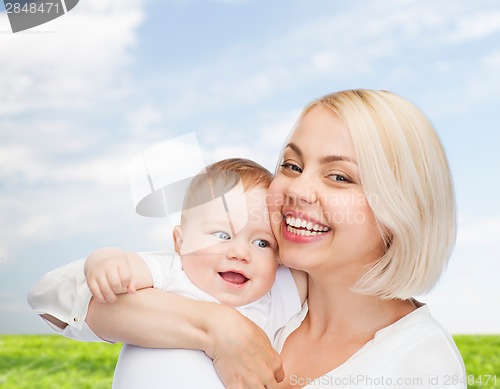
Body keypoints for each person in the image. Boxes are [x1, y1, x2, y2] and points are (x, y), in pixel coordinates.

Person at [29, 89, 466, 388]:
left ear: (401, 207)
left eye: (339, 176)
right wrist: (218, 328)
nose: (296, 190)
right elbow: (57, 297)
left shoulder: (422, 366)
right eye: (292, 166)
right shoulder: (255, 275)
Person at [29, 158, 307, 388]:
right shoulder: (171, 271)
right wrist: (103, 260)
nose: (240, 253)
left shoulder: (269, 299)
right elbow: (110, 270)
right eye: (222, 234)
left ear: (279, 259)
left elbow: (322, 271)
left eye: (262, 243)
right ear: (180, 241)